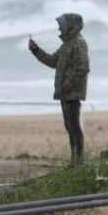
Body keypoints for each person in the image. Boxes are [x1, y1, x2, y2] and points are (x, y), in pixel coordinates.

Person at [28, 13, 90, 165]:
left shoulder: (78, 44)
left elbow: (82, 68)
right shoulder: (68, 45)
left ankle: (78, 161)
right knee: (70, 125)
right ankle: (75, 160)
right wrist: (36, 50)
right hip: (66, 93)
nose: (59, 28)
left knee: (73, 126)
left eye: (61, 25)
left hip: (71, 93)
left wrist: (67, 85)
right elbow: (52, 61)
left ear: (70, 26)